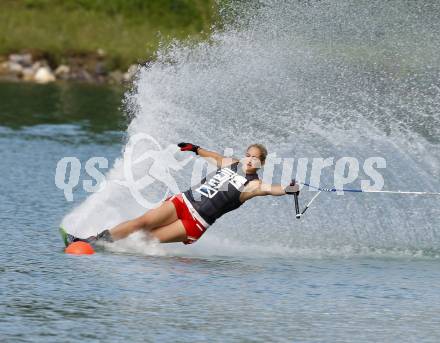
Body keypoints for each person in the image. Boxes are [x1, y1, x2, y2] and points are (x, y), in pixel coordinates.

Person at [64, 142, 299, 246]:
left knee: (147, 240)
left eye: (255, 157)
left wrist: (288, 189)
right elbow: (215, 157)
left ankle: (115, 246)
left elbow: (271, 189)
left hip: (195, 222)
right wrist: (195, 149)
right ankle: (94, 240)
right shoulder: (232, 163)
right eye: (248, 154)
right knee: (142, 222)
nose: (250, 159)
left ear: (262, 163)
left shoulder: (254, 185)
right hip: (184, 201)